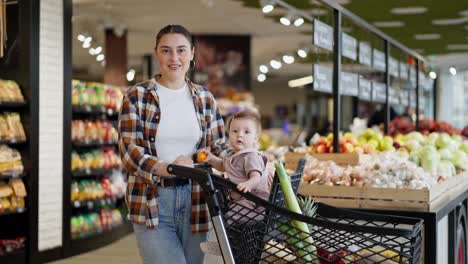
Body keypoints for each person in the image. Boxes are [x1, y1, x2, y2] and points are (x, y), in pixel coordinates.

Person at [118, 24, 229, 264]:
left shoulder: (205, 98)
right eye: (166, 50)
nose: (174, 58)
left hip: (197, 199)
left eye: (181, 50)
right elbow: (130, 152)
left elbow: (218, 144)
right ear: (157, 53)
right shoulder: (136, 96)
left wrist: (247, 161)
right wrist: (170, 168)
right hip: (152, 201)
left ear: (192, 53)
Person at [198, 109, 270, 260]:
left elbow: (256, 176)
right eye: (234, 131)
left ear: (256, 138)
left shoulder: (250, 156)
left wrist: (249, 183)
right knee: (228, 218)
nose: (240, 135)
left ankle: (225, 246)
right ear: (228, 134)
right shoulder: (232, 155)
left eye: (246, 132)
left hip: (254, 202)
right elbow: (222, 166)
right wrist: (210, 158)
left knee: (229, 218)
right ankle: (230, 245)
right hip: (242, 200)